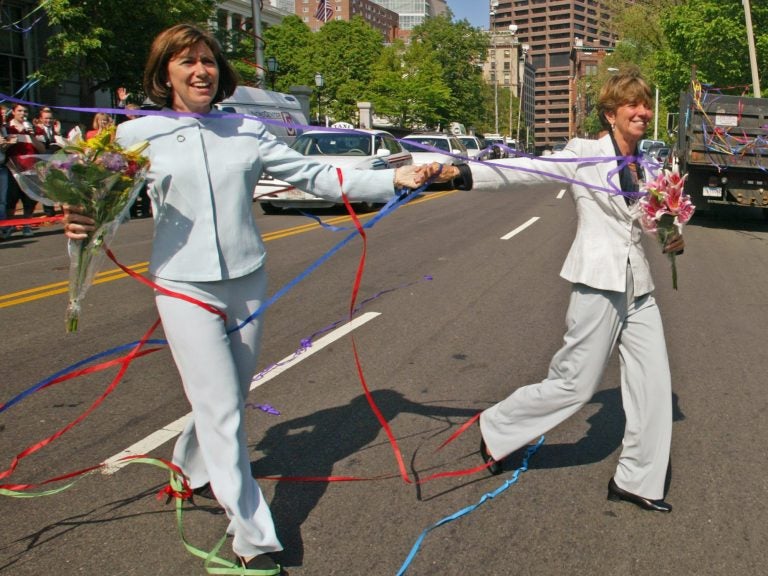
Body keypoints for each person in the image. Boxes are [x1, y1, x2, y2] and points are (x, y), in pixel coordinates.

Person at [62, 23, 462, 575]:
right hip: (182, 284)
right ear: (165, 74)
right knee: (224, 408)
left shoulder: (246, 129)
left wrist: (396, 178)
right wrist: (82, 222)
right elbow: (109, 201)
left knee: (227, 393)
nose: (200, 70)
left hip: (247, 278)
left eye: (207, 60)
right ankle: (253, 537)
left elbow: (314, 174)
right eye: (186, 62)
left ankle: (185, 468)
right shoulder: (137, 136)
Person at [445, 68, 684, 513]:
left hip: (639, 285)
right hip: (598, 279)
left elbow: (647, 220)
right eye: (633, 104)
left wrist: (670, 236)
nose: (643, 112)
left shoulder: (645, 163)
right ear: (611, 113)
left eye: (646, 105)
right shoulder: (586, 153)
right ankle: (497, 428)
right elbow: (529, 168)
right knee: (576, 384)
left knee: (654, 385)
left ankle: (638, 481)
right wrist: (460, 172)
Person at [5, 103, 45, 237]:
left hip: (31, 169)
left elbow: (42, 150)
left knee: (29, 198)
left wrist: (32, 137)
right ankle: (10, 225)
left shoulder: (35, 129)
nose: (23, 113)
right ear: (14, 112)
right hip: (13, 169)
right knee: (11, 198)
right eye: (20, 111)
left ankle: (27, 225)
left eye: (25, 111)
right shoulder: (7, 128)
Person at [35, 107, 65, 217]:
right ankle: (49, 213)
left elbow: (61, 146)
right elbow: (42, 147)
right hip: (43, 162)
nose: (48, 121)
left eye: (51, 118)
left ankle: (64, 210)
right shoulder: (37, 130)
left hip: (56, 162)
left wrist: (58, 133)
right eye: (46, 118)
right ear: (40, 119)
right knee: (46, 188)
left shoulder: (56, 130)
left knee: (59, 186)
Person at [0, 105, 17, 240]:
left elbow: (3, 150)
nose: (3, 116)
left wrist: (7, 144)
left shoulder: (3, 129)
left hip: (2, 167)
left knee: (3, 201)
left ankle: (3, 228)